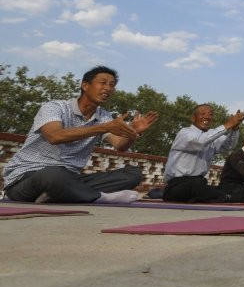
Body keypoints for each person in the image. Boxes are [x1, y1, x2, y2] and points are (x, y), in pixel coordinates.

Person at [2, 66, 157, 204]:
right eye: (103, 83)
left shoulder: (103, 116)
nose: (108, 88)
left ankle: (60, 194)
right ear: (85, 85)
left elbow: (120, 145)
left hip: (70, 178)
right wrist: (102, 127)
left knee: (132, 175)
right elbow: (54, 136)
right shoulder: (54, 107)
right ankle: (100, 197)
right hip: (28, 177)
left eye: (112, 85)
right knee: (54, 174)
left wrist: (133, 131)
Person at [162, 104, 244, 203]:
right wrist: (227, 125)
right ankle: (227, 198)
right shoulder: (185, 133)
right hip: (178, 185)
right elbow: (201, 141)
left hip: (200, 182)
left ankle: (223, 195)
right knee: (195, 187)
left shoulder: (211, 135)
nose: (207, 117)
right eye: (202, 114)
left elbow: (229, 145)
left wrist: (234, 128)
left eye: (210, 114)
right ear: (193, 117)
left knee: (228, 188)